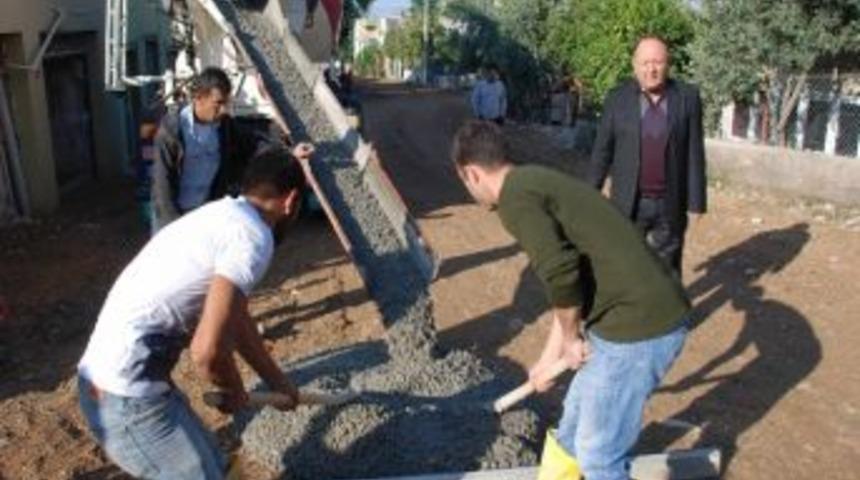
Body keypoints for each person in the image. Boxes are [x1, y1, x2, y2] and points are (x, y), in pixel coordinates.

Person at [452, 120, 691, 480]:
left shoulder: (515, 199)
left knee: (598, 458)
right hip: (620, 320)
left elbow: (561, 273)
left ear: (471, 173)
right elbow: (571, 280)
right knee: (569, 439)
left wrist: (569, 339)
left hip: (639, 328)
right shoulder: (531, 181)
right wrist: (550, 356)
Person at [78, 148, 311, 479]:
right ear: (290, 201)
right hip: (125, 398)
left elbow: (237, 319)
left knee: (216, 467)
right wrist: (232, 390)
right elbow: (208, 351)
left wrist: (278, 383)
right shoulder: (253, 238)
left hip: (118, 381)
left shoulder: (222, 215)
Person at [588, 36, 707, 275]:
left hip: (670, 202)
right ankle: (630, 311)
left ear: (668, 65)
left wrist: (697, 202)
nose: (651, 69)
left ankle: (671, 313)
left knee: (668, 269)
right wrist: (590, 192)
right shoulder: (617, 99)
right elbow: (602, 150)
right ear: (634, 65)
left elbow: (694, 152)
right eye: (645, 63)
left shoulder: (687, 98)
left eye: (658, 62)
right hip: (628, 202)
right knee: (624, 266)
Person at [151, 67, 286, 233]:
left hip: (207, 214)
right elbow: (162, 184)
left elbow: (255, 144)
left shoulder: (225, 126)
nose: (224, 110)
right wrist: (173, 228)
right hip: (173, 217)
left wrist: (288, 152)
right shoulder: (171, 132)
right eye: (218, 103)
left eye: (226, 103)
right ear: (198, 98)